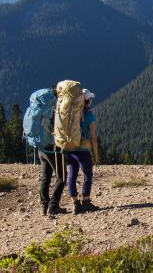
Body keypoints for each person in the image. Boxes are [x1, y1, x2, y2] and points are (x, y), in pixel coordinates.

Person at [66, 88, 100, 214]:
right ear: (87, 100)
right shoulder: (89, 115)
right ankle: (86, 202)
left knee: (71, 176)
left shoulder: (70, 113)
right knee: (88, 175)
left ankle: (75, 204)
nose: (91, 100)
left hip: (69, 149)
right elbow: (93, 137)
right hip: (82, 150)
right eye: (90, 98)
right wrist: (96, 156)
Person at [38, 87, 68, 215]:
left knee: (46, 178)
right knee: (62, 177)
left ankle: (44, 206)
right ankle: (53, 205)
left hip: (41, 148)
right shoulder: (55, 109)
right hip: (53, 149)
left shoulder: (43, 108)